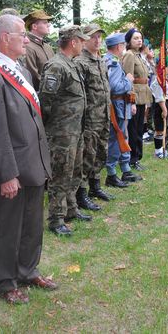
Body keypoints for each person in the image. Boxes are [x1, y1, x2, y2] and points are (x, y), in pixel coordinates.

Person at [0, 14, 54, 304]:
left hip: (33, 161)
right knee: (9, 227)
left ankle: (27, 269)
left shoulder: (18, 67)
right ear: (5, 38)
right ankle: (6, 281)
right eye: (21, 34)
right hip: (14, 167)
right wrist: (6, 173)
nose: (26, 39)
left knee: (33, 222)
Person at [39, 25, 91, 236]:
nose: (84, 44)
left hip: (75, 130)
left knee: (74, 170)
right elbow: (45, 101)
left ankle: (71, 209)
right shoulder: (56, 66)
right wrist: (54, 126)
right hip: (61, 132)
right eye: (82, 40)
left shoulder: (72, 64)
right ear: (73, 42)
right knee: (60, 174)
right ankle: (56, 218)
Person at [74, 23, 114, 207]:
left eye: (99, 37)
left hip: (103, 115)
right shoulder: (80, 62)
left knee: (100, 152)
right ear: (84, 39)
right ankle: (81, 194)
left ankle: (95, 186)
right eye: (93, 37)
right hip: (89, 119)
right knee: (86, 155)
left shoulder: (100, 60)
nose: (97, 40)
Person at [104, 33, 140, 187]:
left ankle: (125, 169)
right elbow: (114, 87)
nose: (124, 48)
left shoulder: (111, 61)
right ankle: (112, 174)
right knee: (116, 139)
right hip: (116, 106)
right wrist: (128, 80)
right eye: (123, 45)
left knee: (121, 137)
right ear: (119, 46)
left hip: (120, 106)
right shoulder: (112, 62)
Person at [122, 28, 151, 170]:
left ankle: (137, 157)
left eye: (140, 38)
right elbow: (128, 79)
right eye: (135, 38)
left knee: (139, 129)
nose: (139, 40)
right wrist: (131, 101)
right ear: (128, 41)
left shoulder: (139, 56)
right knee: (133, 130)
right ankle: (132, 159)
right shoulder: (129, 55)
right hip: (135, 97)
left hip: (142, 96)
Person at [24, 9, 55, 89]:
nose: (48, 25)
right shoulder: (27, 46)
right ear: (34, 26)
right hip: (39, 95)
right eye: (45, 23)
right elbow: (33, 76)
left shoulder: (48, 47)